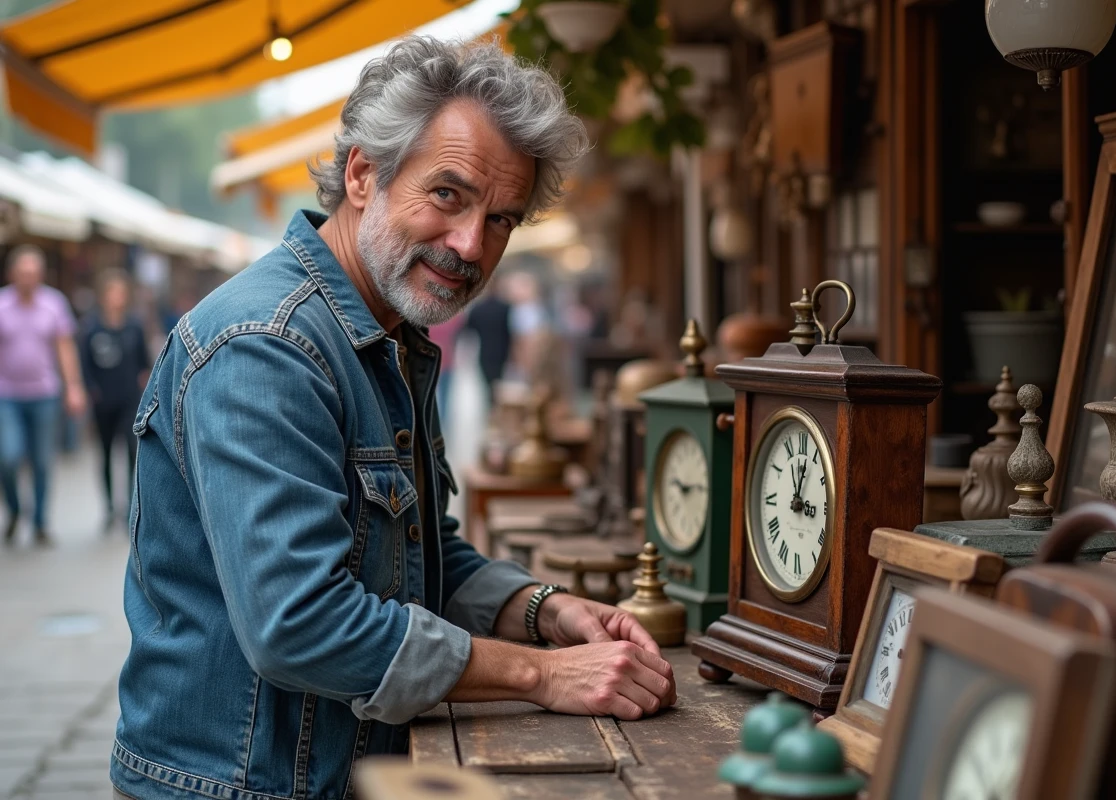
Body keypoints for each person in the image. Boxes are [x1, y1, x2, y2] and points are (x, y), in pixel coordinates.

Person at [112, 38, 675, 800]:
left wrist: (543, 610)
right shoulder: (268, 345)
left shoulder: (386, 334)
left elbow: (413, 557)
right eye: (448, 194)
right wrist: (542, 674)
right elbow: (300, 623)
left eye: (502, 219)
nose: (472, 244)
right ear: (362, 173)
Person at [0, 245, 86, 546]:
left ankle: (39, 522)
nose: (28, 278)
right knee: (8, 457)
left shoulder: (53, 303)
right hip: (7, 395)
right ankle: (13, 509)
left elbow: (64, 347)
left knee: (41, 460)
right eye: (23, 272)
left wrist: (73, 386)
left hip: (44, 393)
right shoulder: (2, 304)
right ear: (12, 274)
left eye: (33, 272)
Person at [78, 269, 150, 530]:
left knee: (132, 450)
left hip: (130, 399)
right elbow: (83, 363)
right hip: (103, 400)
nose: (117, 298)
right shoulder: (91, 327)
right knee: (106, 453)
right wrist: (89, 389)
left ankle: (132, 505)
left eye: (121, 293)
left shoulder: (134, 325)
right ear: (103, 296)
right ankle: (109, 507)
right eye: (112, 293)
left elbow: (144, 363)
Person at [463, 283, 513, 405]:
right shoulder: (506, 308)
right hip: (503, 352)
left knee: (488, 386)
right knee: (499, 384)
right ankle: (497, 409)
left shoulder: (478, 308)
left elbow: (468, 329)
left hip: (485, 352)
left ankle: (491, 409)